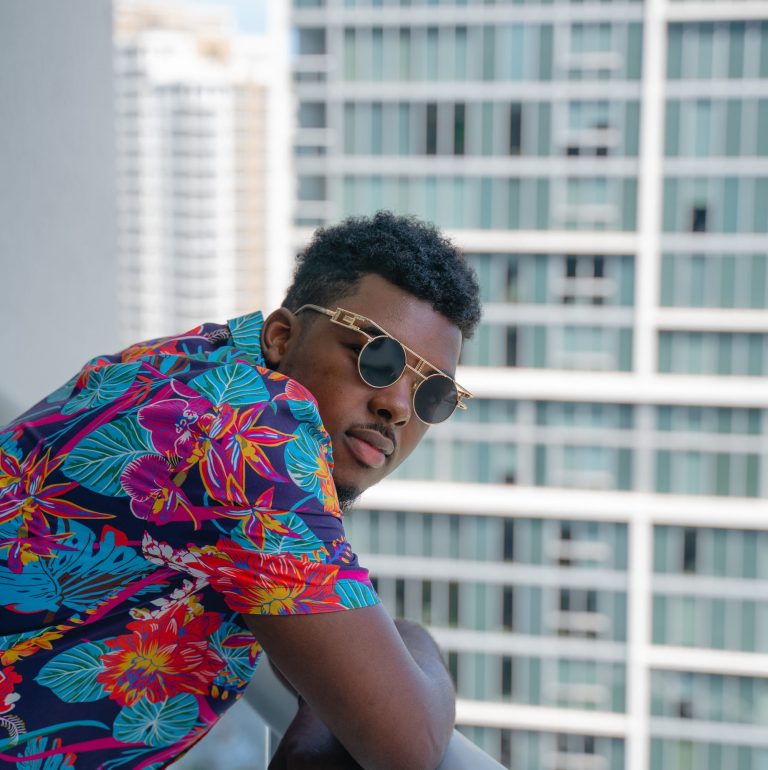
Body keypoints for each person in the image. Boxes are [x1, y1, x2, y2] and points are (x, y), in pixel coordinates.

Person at [0, 211, 481, 770]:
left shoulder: (194, 359)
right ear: (283, 336)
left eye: (431, 396)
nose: (396, 407)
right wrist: (415, 639)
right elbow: (407, 746)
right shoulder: (253, 446)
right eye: (376, 358)